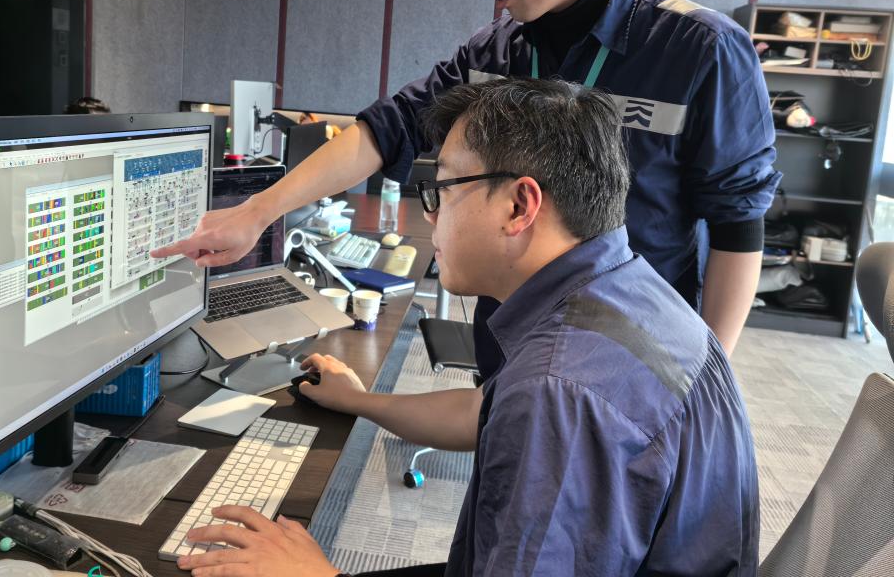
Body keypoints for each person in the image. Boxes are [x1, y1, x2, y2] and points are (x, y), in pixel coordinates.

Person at [152, 0, 779, 363]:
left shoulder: (700, 49)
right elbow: (387, 129)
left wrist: (705, 380)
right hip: (512, 352)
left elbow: (737, 226)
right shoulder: (496, 52)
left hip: (632, 367)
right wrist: (256, 213)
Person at [176, 79, 759, 576]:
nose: (430, 216)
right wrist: (359, 401)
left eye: (442, 190)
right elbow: (485, 411)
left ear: (519, 206)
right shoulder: (624, 292)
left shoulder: (560, 388)